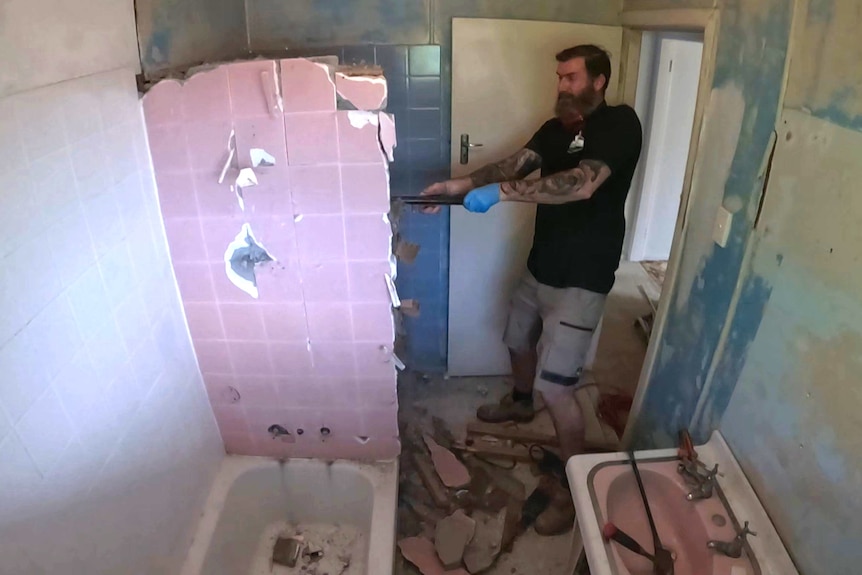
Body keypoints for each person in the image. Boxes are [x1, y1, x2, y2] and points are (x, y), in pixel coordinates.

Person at [422, 44, 643, 535]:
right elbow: (513, 166)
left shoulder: (620, 125)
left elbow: (583, 184)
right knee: (516, 340)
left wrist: (499, 195)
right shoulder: (554, 128)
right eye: (559, 77)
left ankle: (573, 481)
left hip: (583, 277)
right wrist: (458, 186)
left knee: (557, 388)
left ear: (599, 81)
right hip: (542, 264)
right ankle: (520, 404)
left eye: (570, 78)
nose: (561, 86)